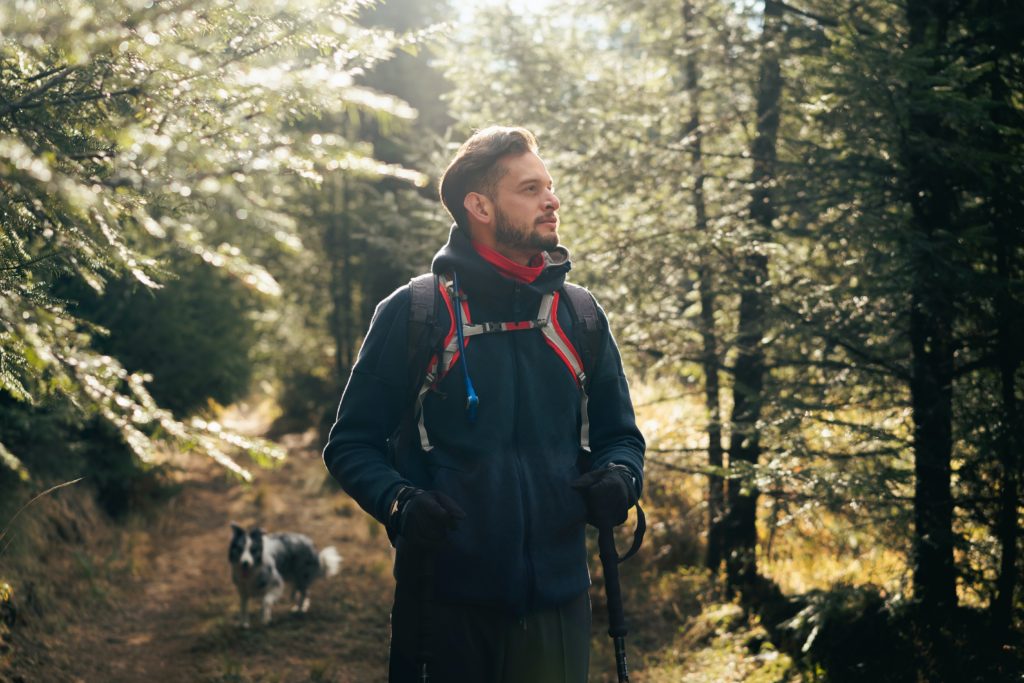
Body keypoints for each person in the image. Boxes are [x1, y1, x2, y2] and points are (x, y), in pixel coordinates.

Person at [322, 126, 645, 682]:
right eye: (529, 189)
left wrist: (621, 477)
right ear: (480, 206)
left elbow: (622, 435)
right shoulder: (415, 312)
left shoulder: (579, 315)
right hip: (443, 603)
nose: (552, 199)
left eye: (549, 185)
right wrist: (400, 503)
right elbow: (351, 444)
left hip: (559, 604)